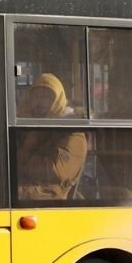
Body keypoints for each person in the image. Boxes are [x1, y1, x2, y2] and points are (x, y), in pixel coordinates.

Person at [16, 73, 88, 201]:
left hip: (52, 195)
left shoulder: (73, 132)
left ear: (58, 99)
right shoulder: (26, 126)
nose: (40, 101)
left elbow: (54, 170)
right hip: (28, 187)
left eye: (47, 96)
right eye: (36, 96)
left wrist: (17, 158)